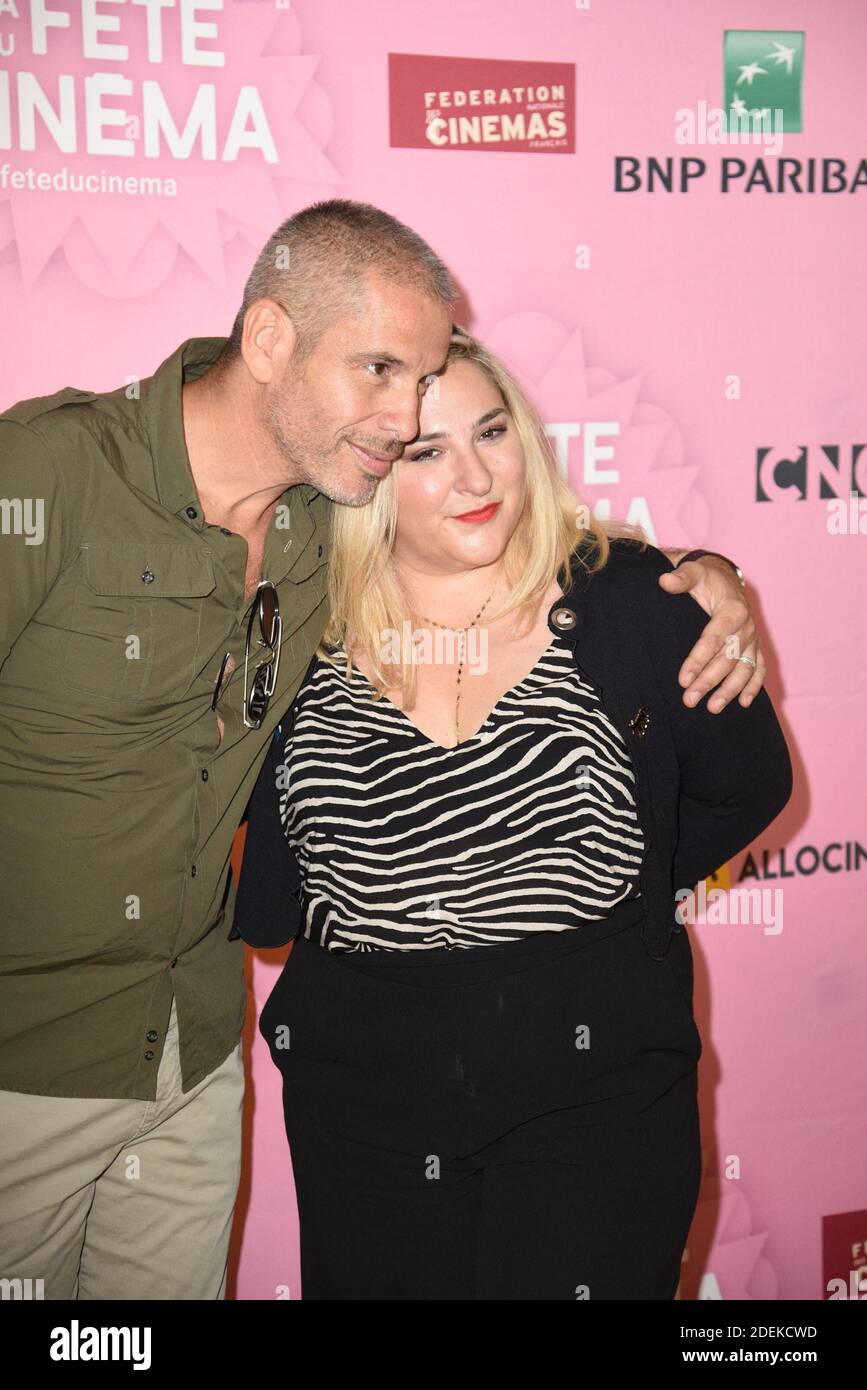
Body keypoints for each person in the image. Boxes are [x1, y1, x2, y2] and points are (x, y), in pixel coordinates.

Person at [0, 199, 767, 1301]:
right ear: (270, 341)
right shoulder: (73, 479)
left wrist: (713, 575)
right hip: (50, 1068)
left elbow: (673, 698)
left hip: (199, 1069)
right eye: (385, 380)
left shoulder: (337, 525)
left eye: (447, 399)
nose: (407, 418)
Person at [233, 324, 793, 1301]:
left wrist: (591, 892)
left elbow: (747, 784)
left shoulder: (629, 599)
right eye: (426, 450)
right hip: (363, 1110)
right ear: (370, 470)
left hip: (596, 1102)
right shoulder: (300, 626)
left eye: (491, 432)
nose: (474, 475)